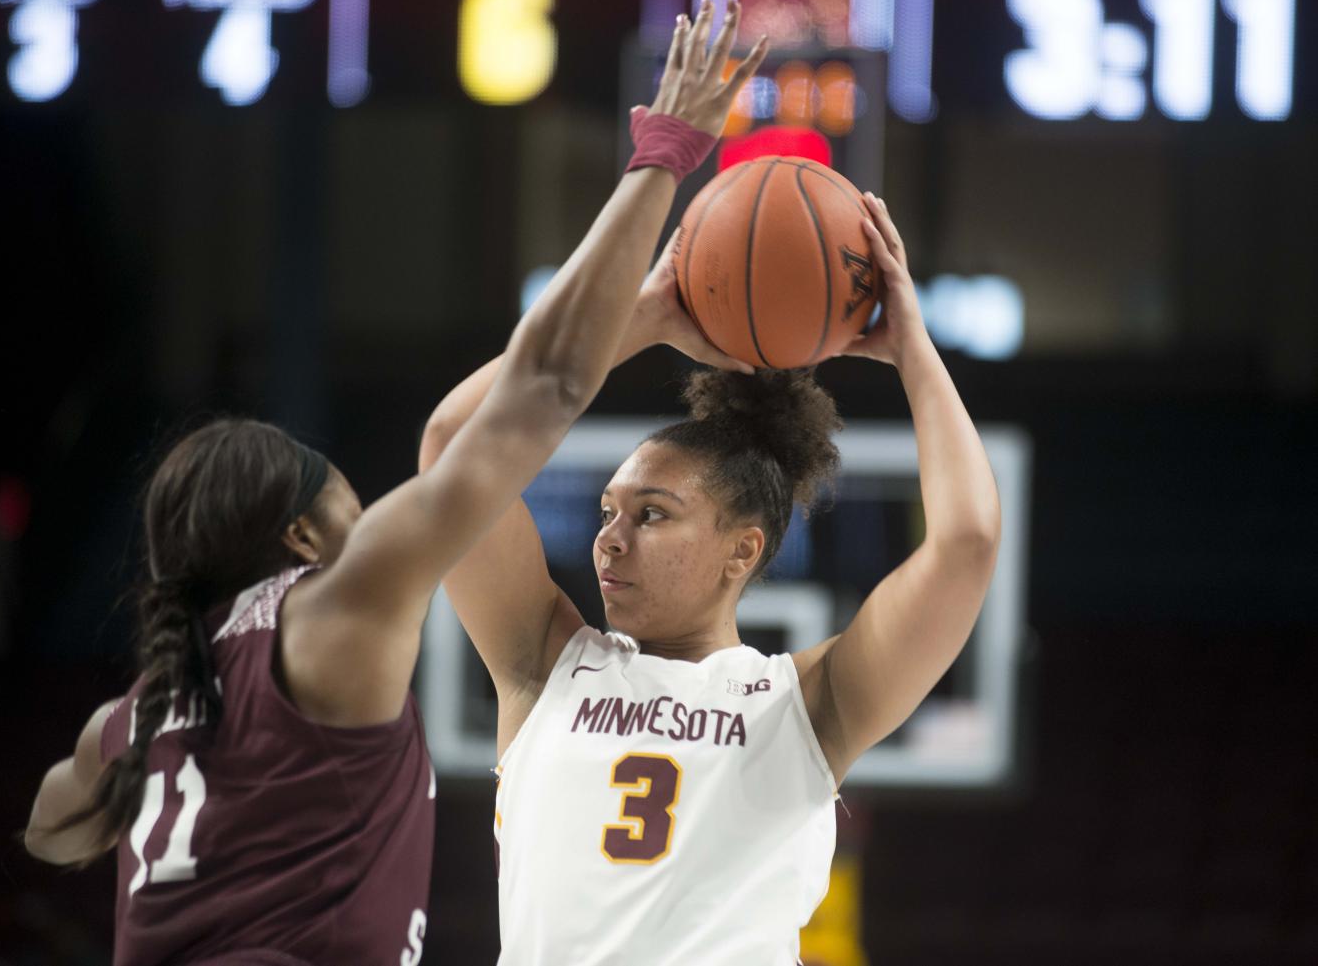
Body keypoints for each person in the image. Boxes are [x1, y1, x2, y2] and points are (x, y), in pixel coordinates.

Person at [22, 0, 768, 966]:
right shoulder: (336, 605)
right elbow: (540, 388)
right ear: (300, 540)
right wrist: (661, 166)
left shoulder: (138, 710)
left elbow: (51, 828)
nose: (372, 516)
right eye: (348, 499)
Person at [420, 155, 1002, 963]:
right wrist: (647, 315)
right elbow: (452, 447)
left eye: (652, 514)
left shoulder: (804, 704)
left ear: (743, 549)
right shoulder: (540, 663)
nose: (609, 538)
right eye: (607, 511)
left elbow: (967, 541)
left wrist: (913, 350)